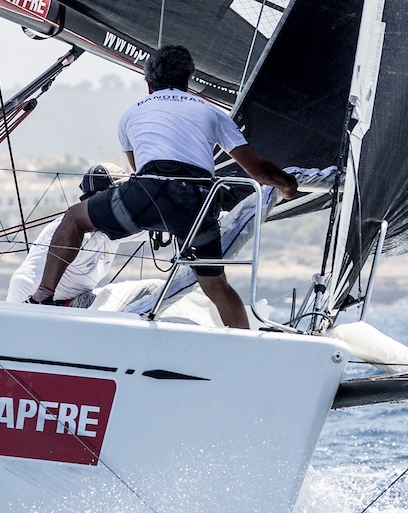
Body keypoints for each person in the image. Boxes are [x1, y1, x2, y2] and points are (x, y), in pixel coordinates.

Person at [26, 46, 297, 330]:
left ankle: (43, 297)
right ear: (188, 79)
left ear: (148, 83)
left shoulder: (130, 115)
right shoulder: (211, 112)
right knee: (216, 286)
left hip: (145, 196)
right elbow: (256, 170)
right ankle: (245, 344)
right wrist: (288, 186)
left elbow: (138, 169)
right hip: (197, 205)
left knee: (73, 219)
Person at [7, 166, 121, 305]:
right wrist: (20, 317)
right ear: (100, 196)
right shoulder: (70, 232)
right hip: (51, 306)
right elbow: (24, 281)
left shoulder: (118, 225)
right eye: (122, 194)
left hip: (79, 302)